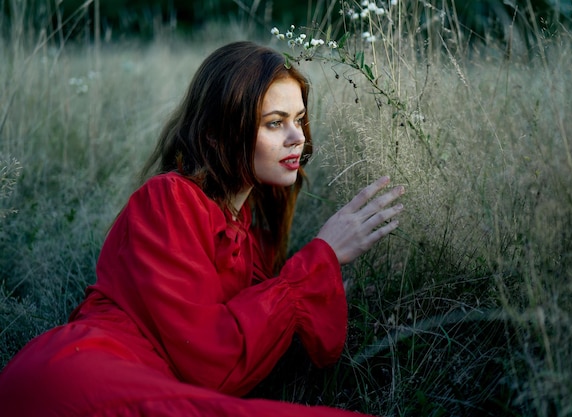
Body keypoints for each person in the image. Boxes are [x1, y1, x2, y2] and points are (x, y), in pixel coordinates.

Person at [0, 41, 404, 417]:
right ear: (216, 134)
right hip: (82, 374)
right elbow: (212, 363)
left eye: (299, 119)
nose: (298, 137)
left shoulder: (243, 228)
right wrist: (320, 257)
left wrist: (323, 281)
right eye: (274, 123)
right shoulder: (169, 198)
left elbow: (283, 341)